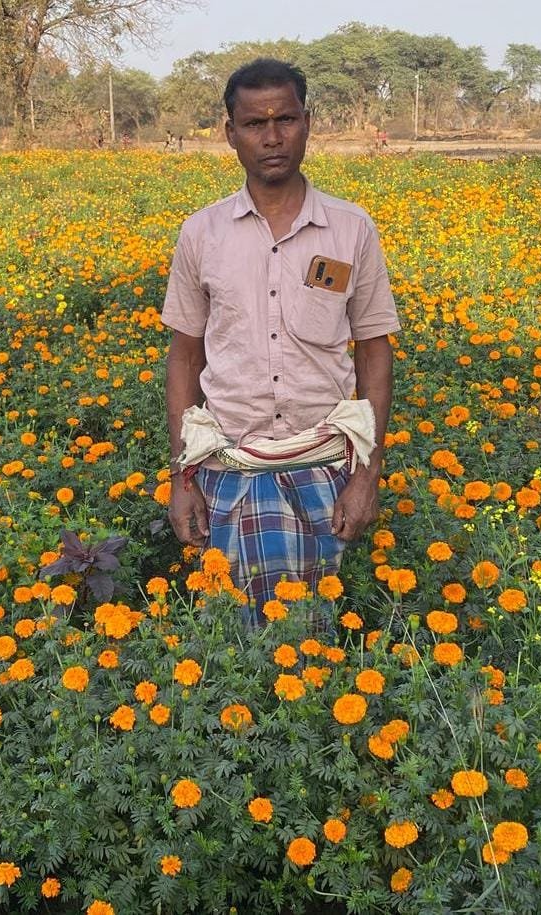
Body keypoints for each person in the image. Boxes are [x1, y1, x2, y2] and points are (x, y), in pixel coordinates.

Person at [162, 58, 400, 619]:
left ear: (307, 123)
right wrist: (181, 478)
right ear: (230, 133)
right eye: (254, 124)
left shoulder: (350, 228)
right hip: (228, 470)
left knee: (321, 641)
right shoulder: (202, 233)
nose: (272, 138)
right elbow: (184, 358)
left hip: (326, 471)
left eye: (285, 119)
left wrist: (367, 476)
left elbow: (374, 351)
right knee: (231, 644)